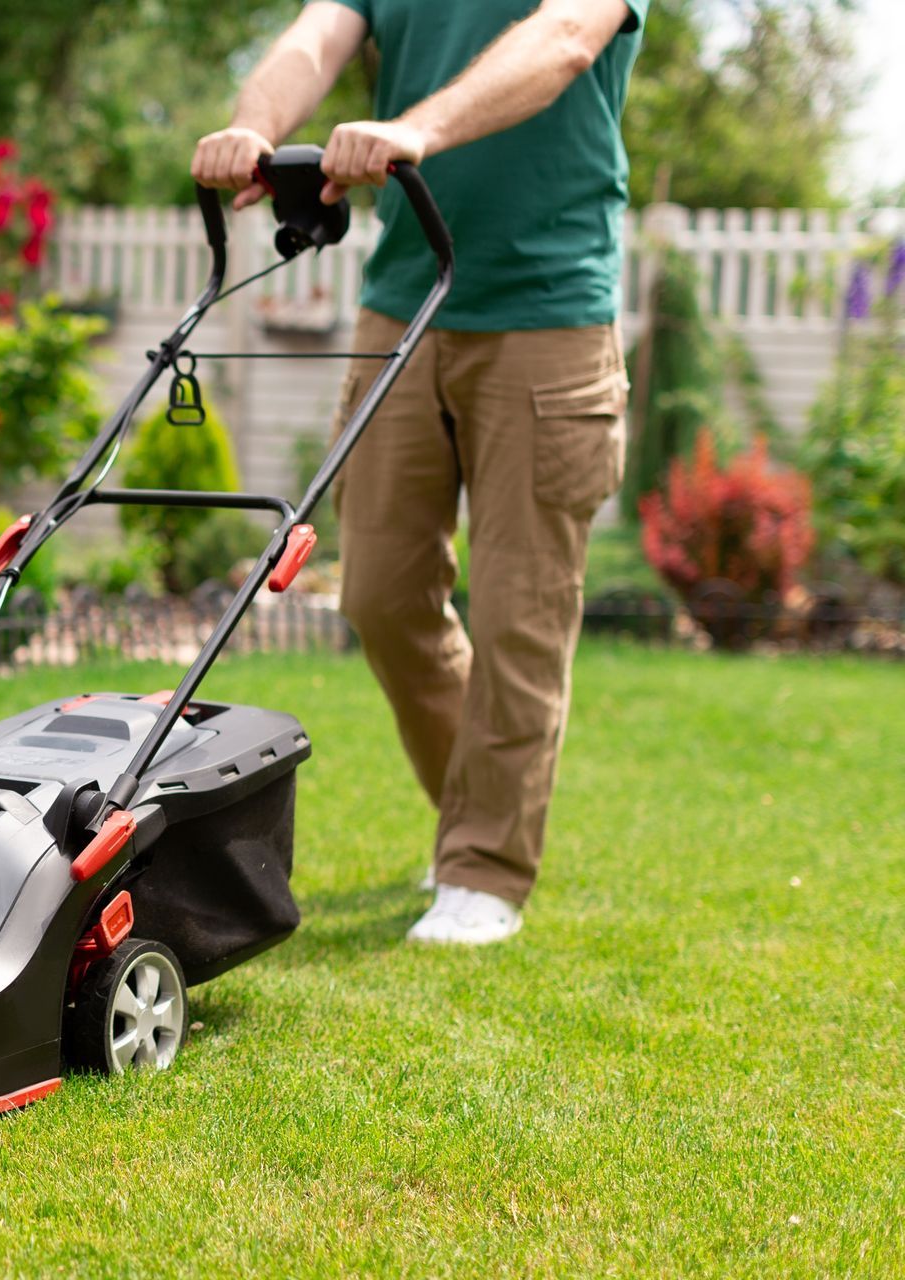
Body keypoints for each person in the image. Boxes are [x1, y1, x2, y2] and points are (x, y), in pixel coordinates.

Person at [192, 0, 648, 945]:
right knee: (382, 595)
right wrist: (255, 126)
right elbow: (316, 37)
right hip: (404, 301)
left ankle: (485, 867)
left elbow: (564, 39)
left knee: (521, 611)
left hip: (549, 311)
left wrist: (415, 130)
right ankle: (472, 817)